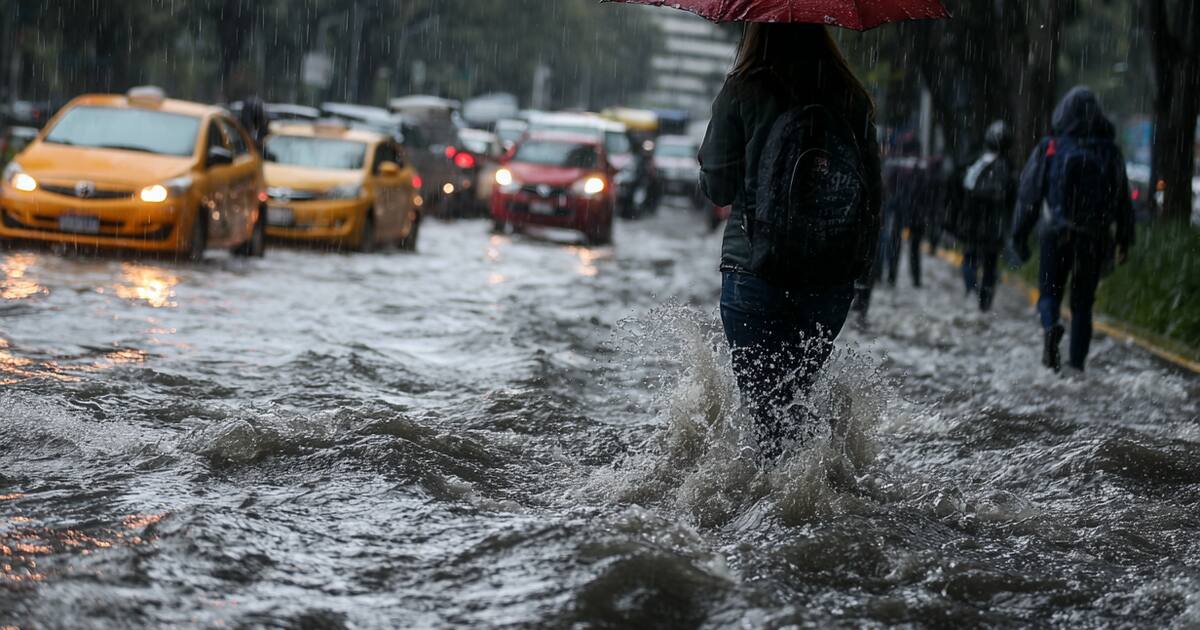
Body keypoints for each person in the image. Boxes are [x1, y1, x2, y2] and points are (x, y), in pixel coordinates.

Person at [699, 22, 881, 460]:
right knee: (794, 399)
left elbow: (717, 189)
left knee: (763, 410)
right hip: (828, 279)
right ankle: (807, 485)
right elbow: (872, 196)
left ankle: (771, 495)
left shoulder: (743, 89)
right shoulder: (851, 96)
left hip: (753, 271)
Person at [1009, 86, 1135, 372]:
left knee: (1049, 295)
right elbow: (1122, 200)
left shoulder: (1051, 147)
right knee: (1082, 306)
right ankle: (1077, 368)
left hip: (1056, 234)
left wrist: (1019, 235)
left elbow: (1029, 196)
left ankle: (1051, 327)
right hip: (1094, 238)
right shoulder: (1109, 151)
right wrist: (1124, 239)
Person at [948, 120, 1016, 312]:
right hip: (993, 225)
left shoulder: (976, 162)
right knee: (990, 264)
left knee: (970, 258)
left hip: (973, 222)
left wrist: (958, 218)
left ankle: (972, 291)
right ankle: (984, 304)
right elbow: (1011, 198)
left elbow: (960, 189)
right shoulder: (1007, 167)